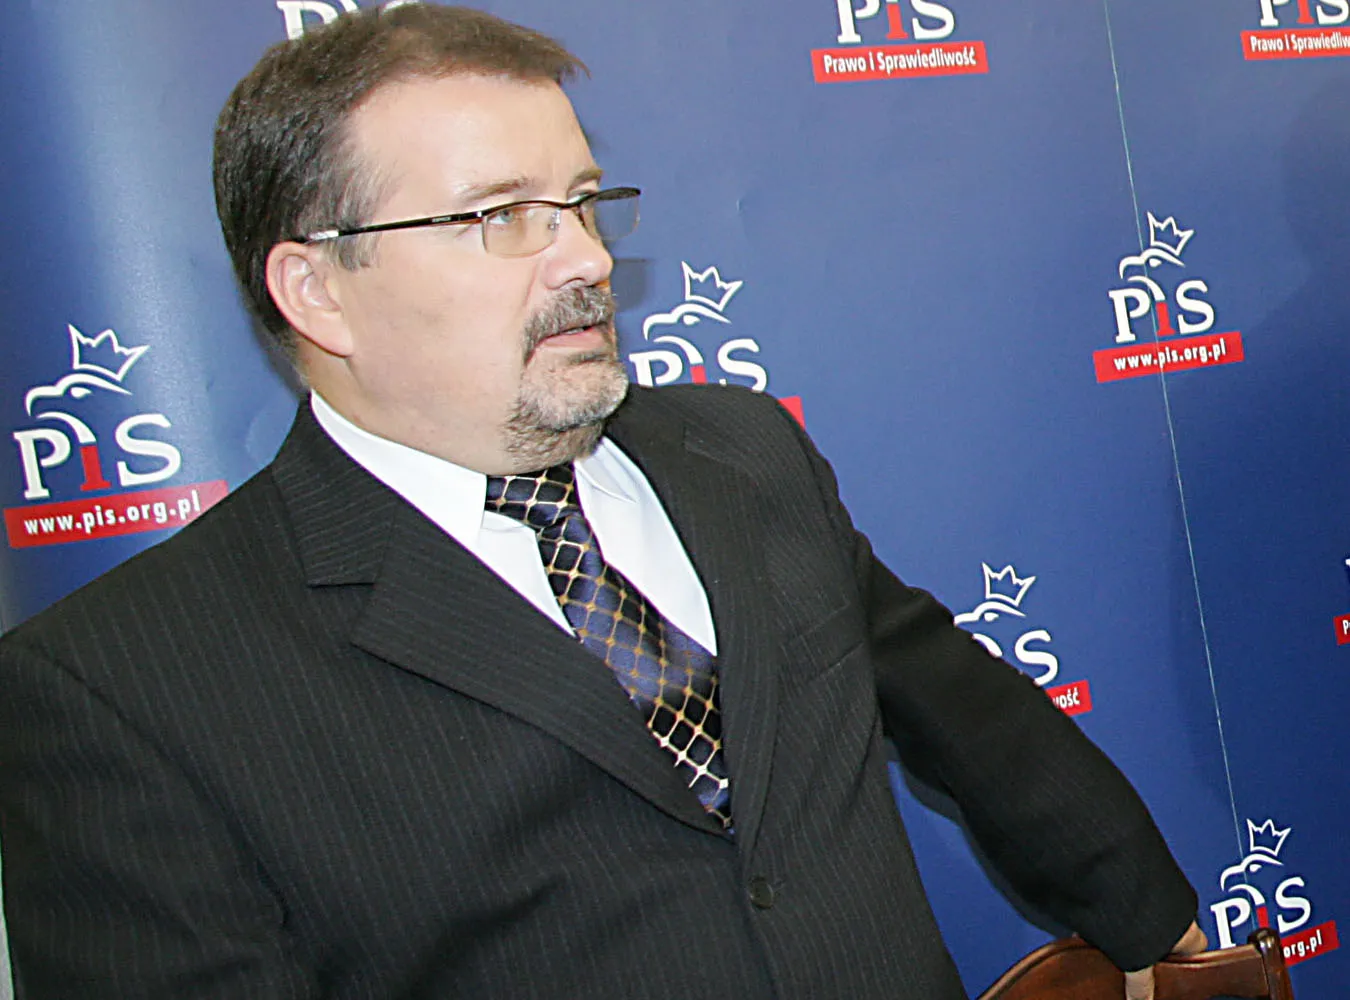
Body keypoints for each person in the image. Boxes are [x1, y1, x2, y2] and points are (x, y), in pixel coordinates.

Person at [0, 6, 1205, 998]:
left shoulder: (743, 454)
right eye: (501, 217)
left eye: (580, 201)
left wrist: (1160, 928)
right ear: (316, 290)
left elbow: (953, 699)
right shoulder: (120, 689)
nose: (584, 257)